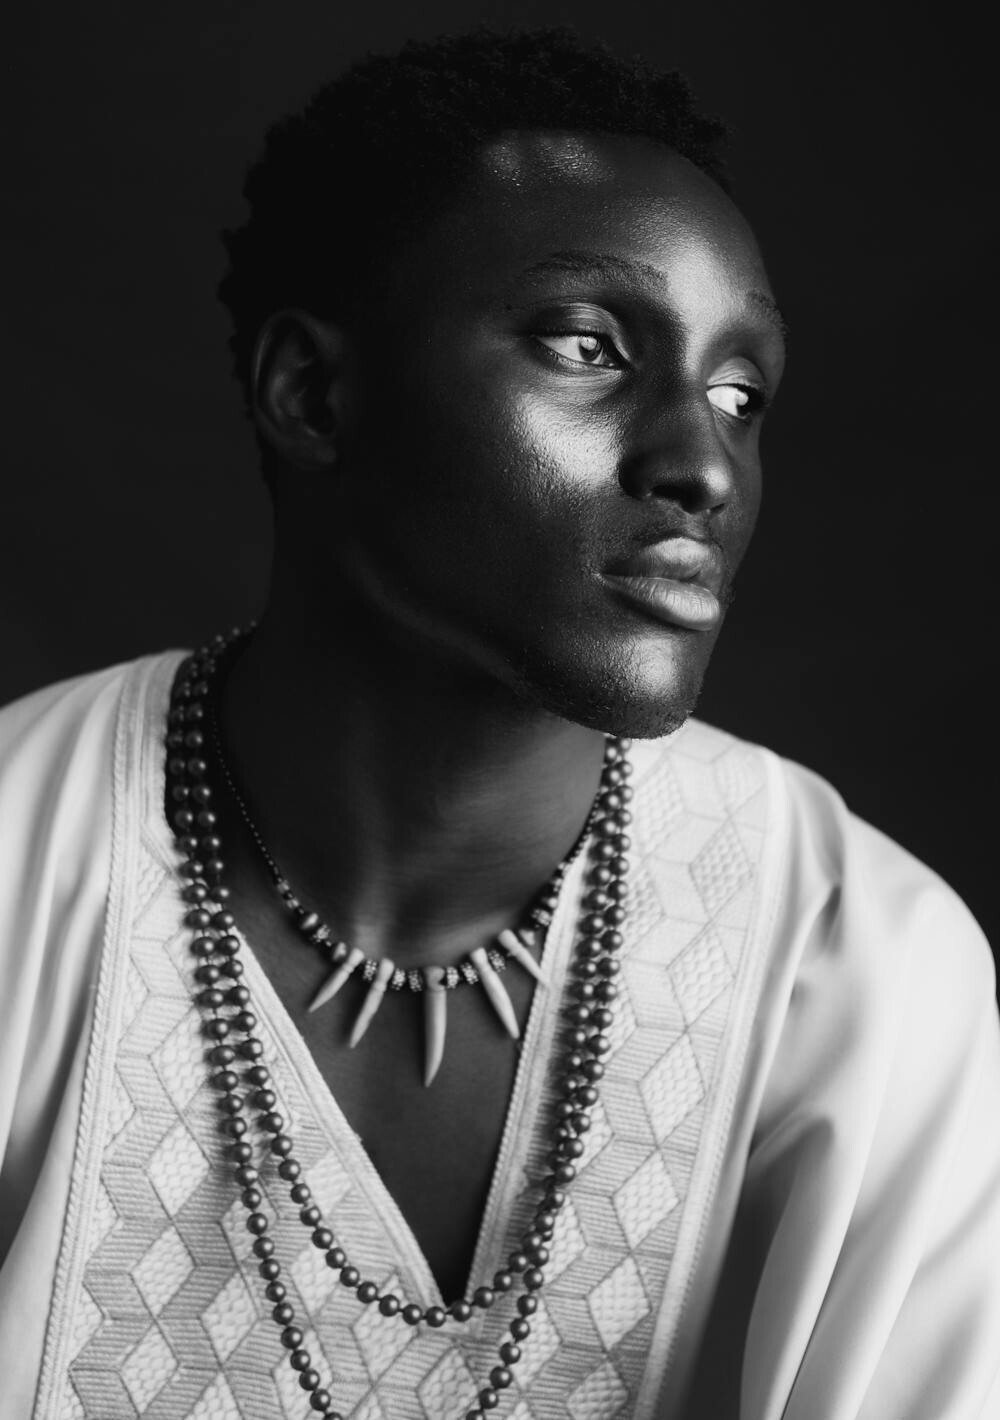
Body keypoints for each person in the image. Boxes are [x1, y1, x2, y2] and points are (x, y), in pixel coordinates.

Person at [1, 26, 997, 1420]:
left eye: (739, 393)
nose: (704, 464)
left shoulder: (865, 977)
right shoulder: (21, 864)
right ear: (313, 394)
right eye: (589, 346)